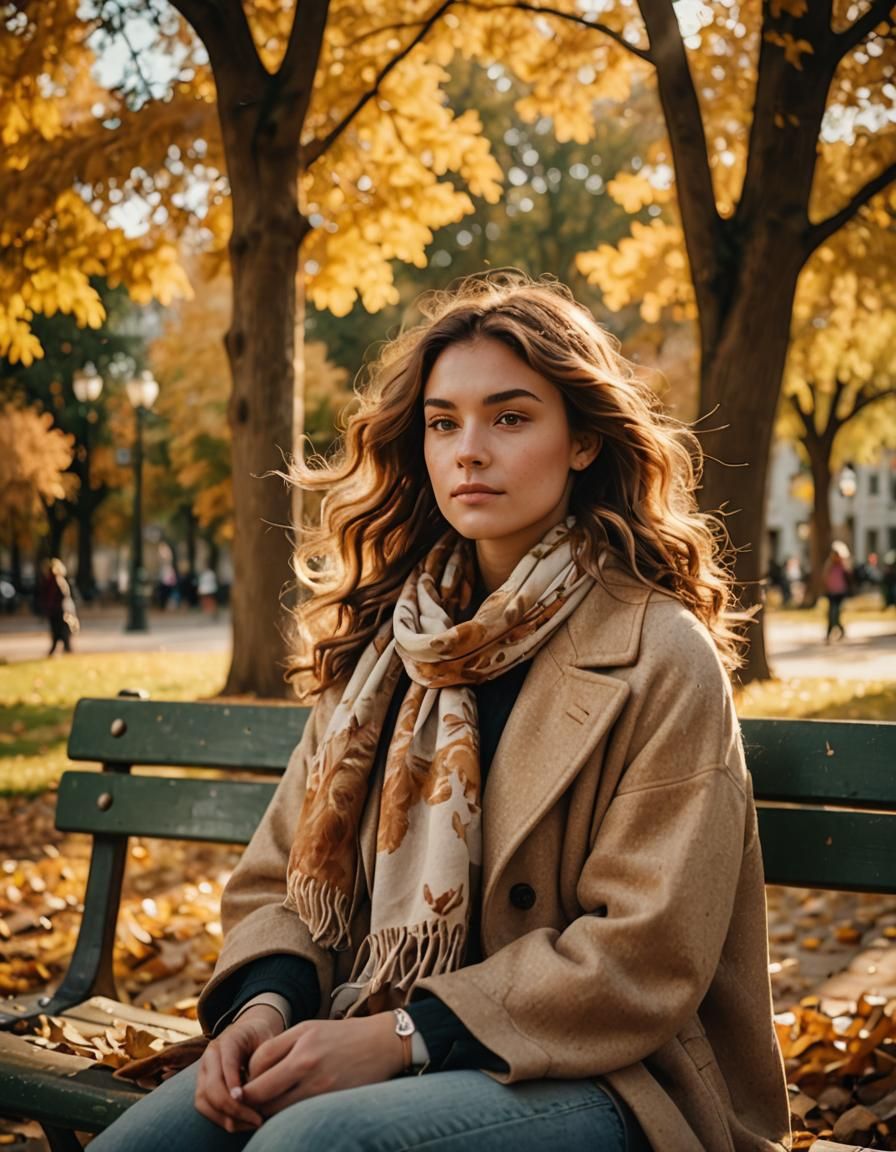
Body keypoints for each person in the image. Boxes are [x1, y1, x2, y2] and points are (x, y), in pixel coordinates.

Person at [94, 274, 790, 1152]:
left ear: (581, 441)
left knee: (312, 1147)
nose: (469, 450)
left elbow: (642, 955)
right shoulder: (392, 647)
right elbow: (281, 878)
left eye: (510, 417)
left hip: (606, 1075)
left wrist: (399, 1038)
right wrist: (265, 1005)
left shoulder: (659, 651)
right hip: (360, 1022)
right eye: (443, 421)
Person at [40, 558, 78, 656]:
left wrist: (48, 608)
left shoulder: (54, 581)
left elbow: (55, 596)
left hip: (57, 610)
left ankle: (63, 648)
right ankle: (65, 648)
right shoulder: (59, 580)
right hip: (58, 610)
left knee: (58, 630)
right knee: (61, 630)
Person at [822, 541, 853, 642]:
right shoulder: (829, 565)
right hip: (831, 592)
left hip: (840, 592)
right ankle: (831, 633)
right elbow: (825, 577)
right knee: (831, 613)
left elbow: (849, 575)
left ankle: (837, 631)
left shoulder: (843, 566)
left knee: (836, 613)